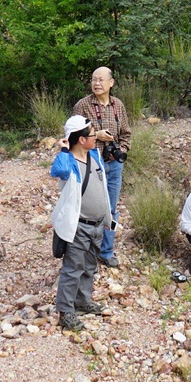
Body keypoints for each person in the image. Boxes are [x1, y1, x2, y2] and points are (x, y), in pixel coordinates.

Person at [49, 115, 113, 331]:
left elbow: (102, 189)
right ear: (81, 139)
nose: (96, 137)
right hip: (78, 226)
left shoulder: (94, 156)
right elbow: (57, 170)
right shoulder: (68, 163)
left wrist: (107, 219)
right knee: (72, 268)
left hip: (96, 225)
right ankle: (65, 312)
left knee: (89, 266)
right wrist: (64, 149)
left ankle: (82, 302)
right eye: (93, 134)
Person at [72, 66, 130, 267]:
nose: (97, 83)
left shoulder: (118, 106)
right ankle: (86, 252)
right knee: (89, 209)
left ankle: (106, 251)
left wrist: (121, 150)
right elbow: (72, 137)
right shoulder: (83, 106)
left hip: (114, 165)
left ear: (111, 83)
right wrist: (96, 136)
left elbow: (126, 134)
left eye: (101, 80)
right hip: (91, 163)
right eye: (93, 79)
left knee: (111, 209)